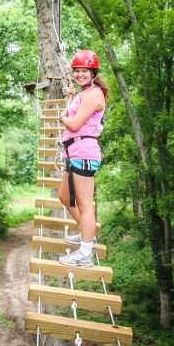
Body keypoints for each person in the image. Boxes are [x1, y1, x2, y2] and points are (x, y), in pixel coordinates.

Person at [57, 50, 109, 268]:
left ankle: (85, 253)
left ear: (93, 72)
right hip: (75, 151)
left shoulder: (93, 94)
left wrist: (62, 117)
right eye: (77, 71)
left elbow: (75, 124)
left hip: (84, 151)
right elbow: (78, 114)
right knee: (65, 197)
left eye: (84, 71)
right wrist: (71, 97)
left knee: (85, 205)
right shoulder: (84, 93)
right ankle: (88, 234)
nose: (79, 75)